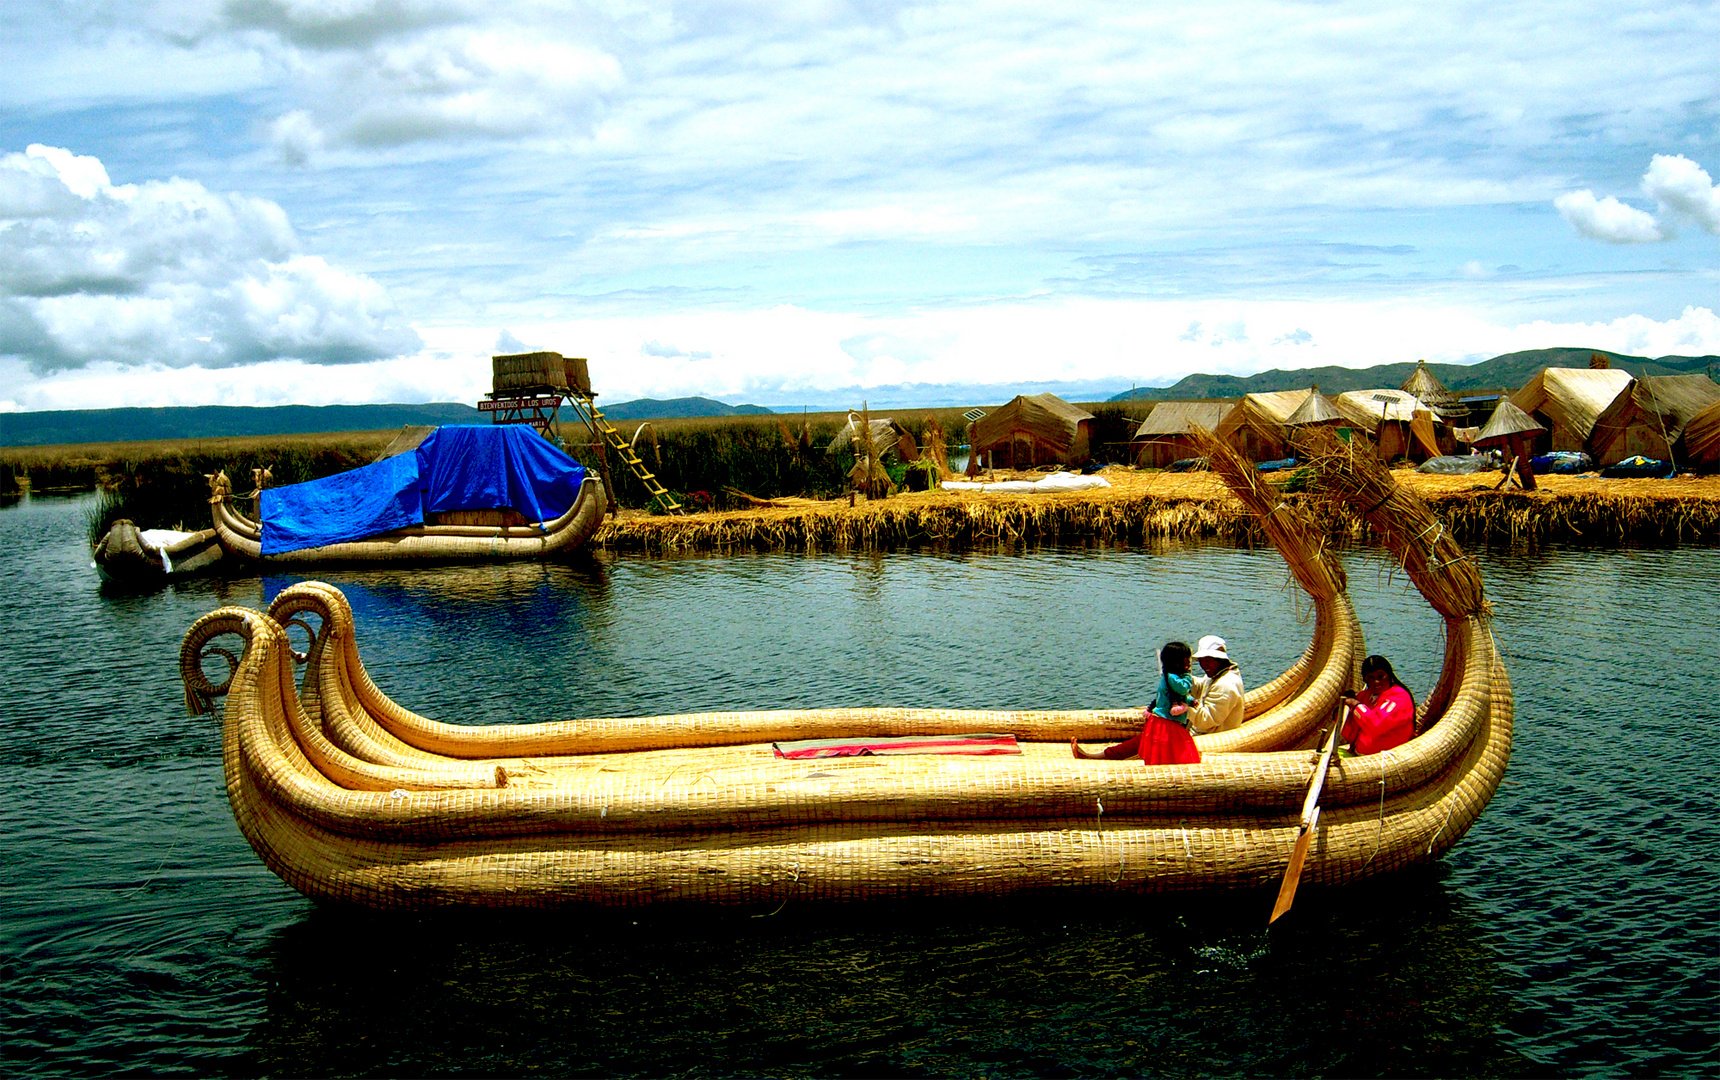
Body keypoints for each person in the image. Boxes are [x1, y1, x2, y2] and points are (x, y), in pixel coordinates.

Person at [1072, 640, 1200, 765]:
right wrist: (1188, 680)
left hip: (1173, 723)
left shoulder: (1171, 677)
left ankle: (1098, 756)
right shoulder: (1175, 678)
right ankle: (1099, 757)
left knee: (1168, 752)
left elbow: (1188, 699)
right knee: (1171, 753)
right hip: (1168, 723)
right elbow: (1183, 690)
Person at [1339, 655, 1416, 756]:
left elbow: (1375, 724)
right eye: (1371, 678)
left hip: (1387, 758)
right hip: (1359, 753)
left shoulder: (1399, 697)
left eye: (1380, 676)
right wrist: (1342, 708)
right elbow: (1348, 730)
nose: (1376, 682)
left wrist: (1355, 705)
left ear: (1389, 675)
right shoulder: (1365, 696)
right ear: (1365, 680)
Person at [1184, 635, 1245, 734]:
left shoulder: (1226, 685)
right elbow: (1200, 688)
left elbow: (1205, 720)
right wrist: (1180, 678)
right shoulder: (1215, 674)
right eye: (1201, 661)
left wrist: (1183, 705)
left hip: (1212, 736)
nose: (1204, 665)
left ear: (1220, 659)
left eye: (1208, 661)